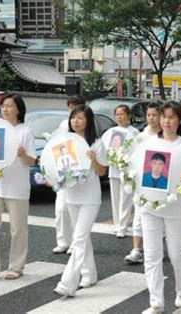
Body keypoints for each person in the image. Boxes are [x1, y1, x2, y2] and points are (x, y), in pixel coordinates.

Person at [137, 101, 181, 313]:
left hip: (176, 207)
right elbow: (135, 166)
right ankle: (155, 301)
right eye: (162, 116)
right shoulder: (147, 141)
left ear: (179, 120)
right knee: (151, 254)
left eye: (171, 117)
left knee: (176, 253)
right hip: (149, 206)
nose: (166, 121)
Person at [0, 94, 36, 281]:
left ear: (18, 109)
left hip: (17, 188)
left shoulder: (25, 131)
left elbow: (32, 160)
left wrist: (23, 154)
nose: (5, 109)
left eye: (9, 106)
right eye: (3, 106)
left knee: (18, 229)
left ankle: (16, 267)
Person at [53, 105, 108, 297]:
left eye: (80, 118)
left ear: (88, 121)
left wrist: (93, 159)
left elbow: (102, 172)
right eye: (73, 118)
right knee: (81, 237)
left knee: (78, 238)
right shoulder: (65, 141)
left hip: (90, 197)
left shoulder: (97, 144)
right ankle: (90, 274)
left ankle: (68, 282)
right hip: (71, 195)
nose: (76, 121)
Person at [125, 103, 161, 264]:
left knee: (158, 216)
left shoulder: (166, 136)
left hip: (160, 181)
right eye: (149, 115)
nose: (151, 118)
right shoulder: (141, 136)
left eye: (155, 115)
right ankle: (137, 249)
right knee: (139, 214)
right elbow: (131, 157)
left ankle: (155, 248)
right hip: (142, 181)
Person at [53, 95, 85, 255]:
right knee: (61, 208)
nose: (72, 111)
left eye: (76, 107)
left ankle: (75, 242)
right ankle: (62, 241)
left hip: (80, 174)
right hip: (63, 171)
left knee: (74, 209)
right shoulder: (63, 125)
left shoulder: (88, 126)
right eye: (70, 107)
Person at [102, 105, 140, 238]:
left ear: (128, 116)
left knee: (125, 198)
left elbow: (137, 150)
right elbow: (104, 148)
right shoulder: (110, 132)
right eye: (117, 114)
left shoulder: (134, 132)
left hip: (127, 170)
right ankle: (117, 224)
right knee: (115, 198)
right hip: (113, 169)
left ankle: (123, 226)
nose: (119, 117)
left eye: (122, 114)